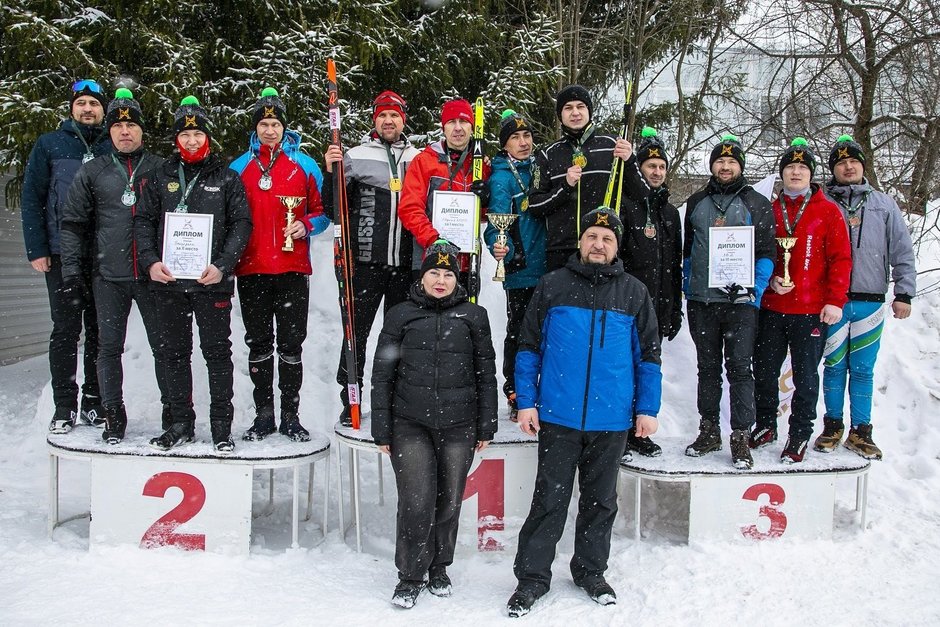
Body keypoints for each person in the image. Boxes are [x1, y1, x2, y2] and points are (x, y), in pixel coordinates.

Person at [507, 207, 662, 617]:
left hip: (611, 419)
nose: (598, 244)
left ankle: (591, 572)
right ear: (580, 241)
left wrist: (647, 408)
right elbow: (528, 347)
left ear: (617, 246)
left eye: (607, 239)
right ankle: (532, 578)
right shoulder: (553, 285)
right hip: (559, 415)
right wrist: (526, 401)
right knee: (549, 499)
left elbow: (648, 356)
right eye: (592, 236)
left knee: (600, 502)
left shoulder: (634, 292)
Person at [371, 243, 497, 609]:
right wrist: (382, 428)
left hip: (459, 424)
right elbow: (382, 375)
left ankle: (439, 567)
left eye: (447, 274)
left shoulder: (474, 316)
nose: (440, 280)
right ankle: (411, 575)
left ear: (457, 280)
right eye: (433, 273)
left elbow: (485, 373)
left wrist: (486, 425)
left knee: (449, 500)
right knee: (416, 501)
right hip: (410, 423)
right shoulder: (400, 314)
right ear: (422, 277)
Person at [135, 96, 252, 452]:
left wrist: (223, 265)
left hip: (211, 282)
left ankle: (221, 427)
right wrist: (150, 262)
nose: (191, 140)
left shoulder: (227, 177)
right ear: (176, 139)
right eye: (184, 135)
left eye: (197, 134)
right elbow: (144, 222)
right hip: (169, 282)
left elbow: (241, 224)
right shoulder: (160, 177)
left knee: (217, 354)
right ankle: (180, 423)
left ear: (208, 138)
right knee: (174, 354)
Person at [59, 88, 168, 444]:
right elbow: (73, 223)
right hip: (108, 275)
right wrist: (72, 271)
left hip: (153, 275)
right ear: (109, 131)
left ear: (141, 130)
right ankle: (113, 415)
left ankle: (173, 414)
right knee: (108, 349)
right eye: (118, 126)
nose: (125, 132)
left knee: (164, 348)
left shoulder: (161, 168)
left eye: (131, 125)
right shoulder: (94, 170)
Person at [229, 88, 329, 442]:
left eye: (275, 124)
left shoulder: (306, 165)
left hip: (292, 269)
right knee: (258, 345)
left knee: (291, 346)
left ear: (285, 128)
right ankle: (263, 415)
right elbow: (227, 215)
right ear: (255, 128)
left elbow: (323, 212)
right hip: (252, 269)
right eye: (264, 124)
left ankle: (290, 415)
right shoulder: (238, 167)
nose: (270, 130)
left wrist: (306, 224)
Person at [750, 138, 852, 463]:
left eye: (802, 167)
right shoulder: (768, 209)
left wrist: (835, 300)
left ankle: (799, 433)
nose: (796, 172)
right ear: (782, 173)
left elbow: (841, 259)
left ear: (811, 174)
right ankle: (766, 424)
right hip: (772, 307)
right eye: (790, 167)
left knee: (806, 378)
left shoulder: (827, 211)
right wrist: (769, 282)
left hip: (810, 311)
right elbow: (756, 253)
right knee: (764, 371)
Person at [323, 90, 420, 426]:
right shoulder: (354, 155)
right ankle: (350, 396)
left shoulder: (417, 157)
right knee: (356, 332)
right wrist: (330, 171)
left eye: (394, 115)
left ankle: (395, 399)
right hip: (365, 263)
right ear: (374, 120)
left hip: (404, 266)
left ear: (403, 119)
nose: (388, 121)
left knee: (399, 337)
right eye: (382, 115)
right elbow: (333, 208)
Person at [817, 135, 916, 460]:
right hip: (831, 302)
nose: (848, 167)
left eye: (853, 162)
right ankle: (832, 425)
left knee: (862, 369)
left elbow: (902, 249)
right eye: (841, 163)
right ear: (833, 169)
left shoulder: (883, 204)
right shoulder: (823, 202)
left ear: (862, 166)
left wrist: (904, 292)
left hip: (869, 301)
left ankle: (861, 430)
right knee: (833, 365)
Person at [21, 79, 112, 433]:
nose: (88, 109)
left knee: (100, 330)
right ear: (72, 108)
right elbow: (33, 197)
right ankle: (64, 406)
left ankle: (93, 401)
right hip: (61, 254)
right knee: (65, 331)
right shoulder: (50, 144)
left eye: (94, 103)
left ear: (103, 110)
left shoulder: (112, 145)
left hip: (104, 254)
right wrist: (38, 248)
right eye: (82, 103)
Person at [682, 134, 776, 469]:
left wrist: (754, 289)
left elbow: (767, 252)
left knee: (739, 369)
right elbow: (689, 251)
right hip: (702, 302)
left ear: (740, 166)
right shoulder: (696, 201)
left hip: (740, 304)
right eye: (720, 161)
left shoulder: (757, 202)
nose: (725, 166)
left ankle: (740, 435)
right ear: (712, 166)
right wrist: (688, 284)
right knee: (707, 368)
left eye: (731, 161)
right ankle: (709, 430)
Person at [617, 126, 683, 458]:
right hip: (629, 306)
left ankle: (640, 430)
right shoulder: (627, 207)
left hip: (659, 308)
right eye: (650, 166)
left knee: (649, 369)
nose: (656, 172)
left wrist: (674, 309)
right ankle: (620, 431)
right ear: (639, 169)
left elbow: (674, 265)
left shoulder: (670, 213)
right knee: (625, 369)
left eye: (661, 167)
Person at [483, 109, 546, 422]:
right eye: (515, 137)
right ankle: (515, 390)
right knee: (521, 331)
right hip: (522, 268)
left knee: (549, 332)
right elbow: (495, 225)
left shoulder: (541, 167)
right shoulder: (501, 178)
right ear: (504, 144)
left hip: (550, 266)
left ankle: (545, 390)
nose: (523, 142)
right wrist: (502, 248)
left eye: (527, 135)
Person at [527, 85, 631, 272]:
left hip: (603, 249)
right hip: (561, 251)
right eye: (568, 108)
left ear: (589, 111)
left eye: (580, 106)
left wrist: (630, 161)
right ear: (560, 115)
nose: (575, 112)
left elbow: (640, 194)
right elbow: (534, 205)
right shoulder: (547, 154)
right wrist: (565, 187)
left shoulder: (613, 146)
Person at [397, 98, 490, 295]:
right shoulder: (424, 161)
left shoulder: (480, 165)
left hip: (466, 262)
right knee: (429, 314)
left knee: (464, 314)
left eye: (463, 121)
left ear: (472, 127)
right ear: (443, 128)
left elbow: (484, 216)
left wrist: (486, 201)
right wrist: (434, 240)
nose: (458, 128)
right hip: (429, 260)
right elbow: (409, 208)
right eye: (451, 122)